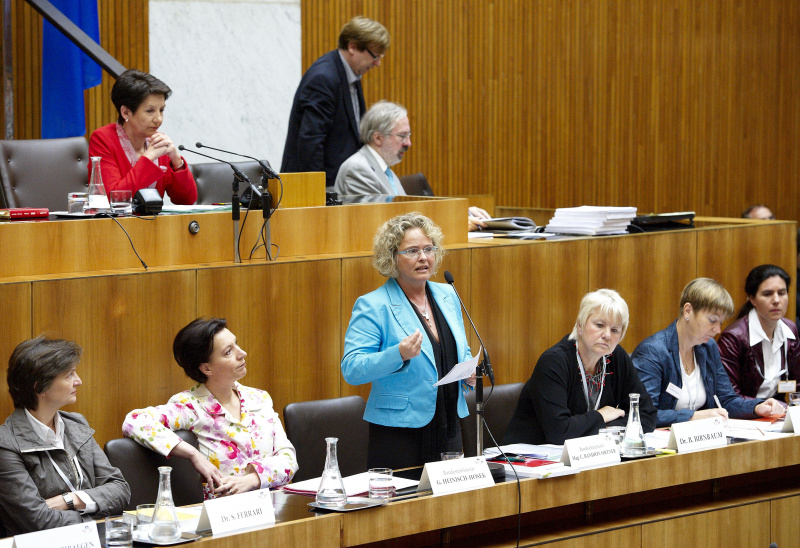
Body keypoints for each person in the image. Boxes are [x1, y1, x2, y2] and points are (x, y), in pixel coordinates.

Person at [341, 212, 475, 468]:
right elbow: (352, 368)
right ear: (392, 258)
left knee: (450, 506)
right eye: (412, 251)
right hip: (399, 432)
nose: (423, 257)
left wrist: (468, 368)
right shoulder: (373, 305)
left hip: (449, 424)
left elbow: (459, 348)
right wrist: (398, 354)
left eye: (428, 249)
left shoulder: (448, 294)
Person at [123, 318, 297, 496]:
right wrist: (193, 455)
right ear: (206, 368)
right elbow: (134, 421)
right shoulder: (191, 406)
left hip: (275, 505)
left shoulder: (259, 398)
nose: (242, 353)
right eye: (229, 351)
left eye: (236, 344)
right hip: (225, 515)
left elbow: (289, 458)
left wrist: (252, 480)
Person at [0, 337, 130, 536]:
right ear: (39, 387)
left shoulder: (76, 424)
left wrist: (70, 500)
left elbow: (120, 490)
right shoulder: (6, 444)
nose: (79, 381)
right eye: (69, 375)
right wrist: (99, 514)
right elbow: (38, 521)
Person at [503, 289, 657, 445]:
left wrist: (606, 429)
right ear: (580, 326)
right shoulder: (554, 362)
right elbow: (559, 433)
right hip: (529, 458)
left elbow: (646, 416)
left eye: (615, 330)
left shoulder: (617, 357)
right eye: (599, 325)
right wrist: (601, 417)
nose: (607, 335)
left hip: (588, 454)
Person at [632, 278, 785, 427]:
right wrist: (694, 416)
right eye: (712, 320)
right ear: (688, 311)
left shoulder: (707, 347)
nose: (718, 330)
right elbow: (644, 414)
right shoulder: (653, 351)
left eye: (721, 323)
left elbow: (726, 399)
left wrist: (757, 407)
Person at [334, 100, 492, 231]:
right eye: (402, 136)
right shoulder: (358, 168)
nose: (408, 143)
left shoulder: (384, 170)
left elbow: (408, 214)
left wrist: (460, 214)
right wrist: (453, 223)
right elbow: (380, 225)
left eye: (408, 135)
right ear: (378, 138)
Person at [281, 16, 390, 190]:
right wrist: (319, 194)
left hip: (336, 184)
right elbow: (311, 141)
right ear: (353, 46)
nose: (377, 63)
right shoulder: (324, 78)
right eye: (374, 56)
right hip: (313, 189)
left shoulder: (351, 73)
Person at [88, 69, 197, 204]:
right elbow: (114, 199)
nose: (158, 119)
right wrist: (148, 158)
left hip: (153, 224)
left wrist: (176, 160)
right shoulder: (103, 139)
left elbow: (186, 200)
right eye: (150, 111)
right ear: (126, 112)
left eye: (161, 110)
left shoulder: (158, 142)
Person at [718, 265, 799, 399]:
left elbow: (798, 383)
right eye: (767, 294)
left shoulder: (790, 330)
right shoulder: (733, 337)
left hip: (778, 414)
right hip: (744, 415)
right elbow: (729, 397)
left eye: (782, 293)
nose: (776, 300)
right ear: (752, 299)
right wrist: (763, 408)